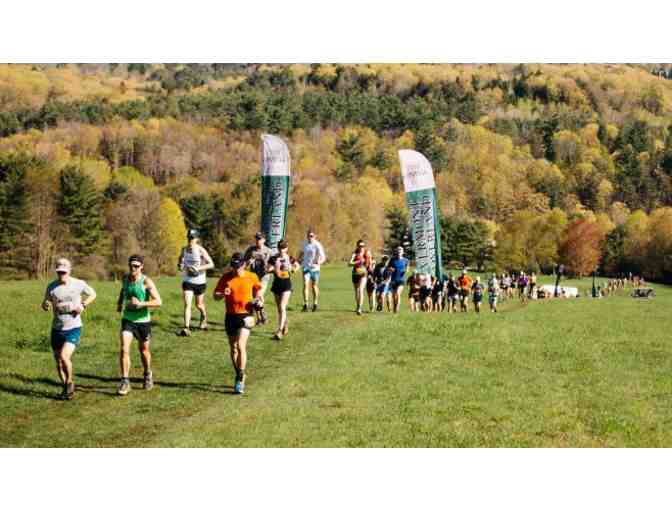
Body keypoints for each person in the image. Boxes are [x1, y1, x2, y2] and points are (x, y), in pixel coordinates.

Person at [41, 258, 97, 400]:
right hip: (56, 329)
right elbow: (46, 301)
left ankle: (70, 382)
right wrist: (46, 305)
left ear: (69, 271)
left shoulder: (78, 283)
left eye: (64, 272)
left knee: (64, 356)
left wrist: (83, 305)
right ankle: (65, 387)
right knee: (59, 363)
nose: (61, 275)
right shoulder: (52, 287)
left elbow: (93, 294)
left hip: (73, 327)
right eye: (59, 272)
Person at [213, 253, 263, 395]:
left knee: (241, 345)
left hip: (246, 315)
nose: (236, 270)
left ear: (244, 265)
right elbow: (215, 296)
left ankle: (240, 379)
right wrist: (223, 294)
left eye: (238, 266)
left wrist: (259, 301)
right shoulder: (226, 278)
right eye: (234, 267)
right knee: (233, 348)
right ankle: (239, 373)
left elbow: (258, 292)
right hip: (230, 316)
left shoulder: (252, 276)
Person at [116, 255, 162, 397]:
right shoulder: (125, 279)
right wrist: (119, 303)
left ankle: (147, 374)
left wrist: (141, 304)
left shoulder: (146, 281)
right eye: (131, 265)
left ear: (142, 267)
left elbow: (158, 301)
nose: (133, 268)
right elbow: (123, 290)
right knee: (124, 349)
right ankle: (125, 381)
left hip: (143, 322)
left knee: (144, 350)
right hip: (128, 320)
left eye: (136, 266)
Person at [177, 229, 215, 336]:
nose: (190, 240)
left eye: (192, 238)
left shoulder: (200, 250)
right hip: (188, 281)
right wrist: (180, 265)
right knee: (187, 304)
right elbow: (180, 260)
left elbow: (211, 264)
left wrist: (198, 268)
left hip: (200, 281)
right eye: (189, 238)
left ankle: (204, 316)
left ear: (197, 239)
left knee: (199, 304)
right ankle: (186, 328)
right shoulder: (184, 249)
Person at [268, 240, 299, 340]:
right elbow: (267, 269)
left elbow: (297, 266)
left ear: (286, 248)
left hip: (286, 285)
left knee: (282, 306)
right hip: (277, 285)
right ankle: (285, 324)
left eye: (283, 248)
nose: (282, 250)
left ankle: (279, 331)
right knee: (279, 309)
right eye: (280, 248)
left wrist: (291, 269)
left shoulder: (289, 258)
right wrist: (275, 268)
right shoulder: (273, 258)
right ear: (278, 248)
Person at [243, 232, 273, 324]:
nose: (257, 240)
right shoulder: (251, 250)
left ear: (264, 240)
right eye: (256, 238)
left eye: (259, 239)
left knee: (258, 295)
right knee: (254, 298)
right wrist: (249, 262)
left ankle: (263, 314)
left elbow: (273, 265)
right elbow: (243, 264)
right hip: (253, 277)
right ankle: (260, 318)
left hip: (264, 277)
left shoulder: (268, 251)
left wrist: (267, 267)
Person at [298, 229, 326, 312]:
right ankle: (305, 304)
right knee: (305, 284)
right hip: (306, 267)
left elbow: (323, 257)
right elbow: (301, 253)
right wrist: (298, 260)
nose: (310, 237)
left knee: (314, 286)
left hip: (315, 269)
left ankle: (315, 304)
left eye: (311, 236)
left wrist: (319, 262)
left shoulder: (317, 245)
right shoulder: (304, 243)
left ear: (315, 236)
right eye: (308, 236)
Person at [349, 240, 373, 315]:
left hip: (363, 273)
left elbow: (370, 263)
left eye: (363, 246)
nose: (361, 247)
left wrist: (370, 271)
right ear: (357, 246)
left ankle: (360, 308)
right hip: (355, 273)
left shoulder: (367, 253)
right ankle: (357, 306)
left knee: (360, 290)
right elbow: (349, 264)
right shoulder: (354, 254)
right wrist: (357, 262)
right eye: (360, 246)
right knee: (356, 291)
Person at [387, 246, 410, 313]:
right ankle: (395, 307)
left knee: (398, 293)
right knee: (394, 296)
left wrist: (406, 270)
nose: (399, 251)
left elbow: (407, 268)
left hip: (401, 280)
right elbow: (388, 268)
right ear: (396, 251)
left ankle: (397, 308)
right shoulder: (392, 260)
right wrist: (391, 269)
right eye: (398, 250)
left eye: (400, 250)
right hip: (393, 280)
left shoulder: (406, 260)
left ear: (402, 252)